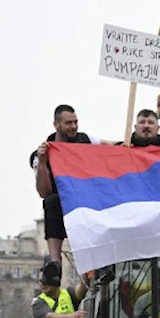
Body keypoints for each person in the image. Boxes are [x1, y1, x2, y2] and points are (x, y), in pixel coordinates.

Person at [32, 104, 110, 263]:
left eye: (76, 122)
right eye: (69, 123)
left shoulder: (85, 140)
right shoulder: (43, 153)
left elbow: (113, 146)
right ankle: (55, 262)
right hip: (63, 206)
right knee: (51, 202)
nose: (74, 127)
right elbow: (43, 192)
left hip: (88, 201)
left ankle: (99, 264)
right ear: (56, 125)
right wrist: (42, 162)